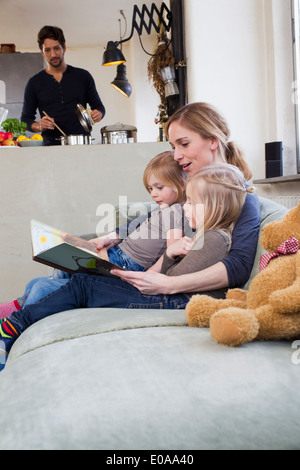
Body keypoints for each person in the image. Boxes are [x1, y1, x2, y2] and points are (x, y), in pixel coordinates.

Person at [0, 164, 255, 368]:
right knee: (78, 277)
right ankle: (16, 323)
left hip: (172, 302)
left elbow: (168, 282)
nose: (184, 208)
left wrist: (169, 255)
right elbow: (166, 276)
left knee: (82, 286)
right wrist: (171, 253)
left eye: (190, 202)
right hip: (166, 295)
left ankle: (13, 326)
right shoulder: (205, 235)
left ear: (216, 206)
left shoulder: (214, 239)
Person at [0, 151, 187, 318]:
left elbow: (171, 252)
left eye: (159, 187)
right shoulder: (164, 208)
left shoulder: (175, 212)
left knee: (50, 277)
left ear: (181, 184)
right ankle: (18, 307)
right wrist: (109, 238)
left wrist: (149, 274)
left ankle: (16, 317)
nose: (153, 194)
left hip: (124, 264)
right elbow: (132, 226)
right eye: (150, 189)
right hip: (116, 255)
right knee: (41, 278)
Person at [115, 102, 260, 294]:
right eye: (173, 146)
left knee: (76, 284)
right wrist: (117, 233)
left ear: (212, 141)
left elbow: (239, 264)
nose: (176, 156)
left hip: (170, 287)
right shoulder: (195, 182)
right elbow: (160, 213)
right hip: (147, 268)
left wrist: (168, 284)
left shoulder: (241, 194)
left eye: (184, 144)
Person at [21, 26, 106, 145]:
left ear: (64, 48)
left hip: (82, 144)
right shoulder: (34, 83)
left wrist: (99, 114)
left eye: (56, 48)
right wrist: (39, 126)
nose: (53, 54)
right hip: (51, 147)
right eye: (47, 50)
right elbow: (25, 120)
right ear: (42, 52)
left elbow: (99, 107)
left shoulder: (83, 76)